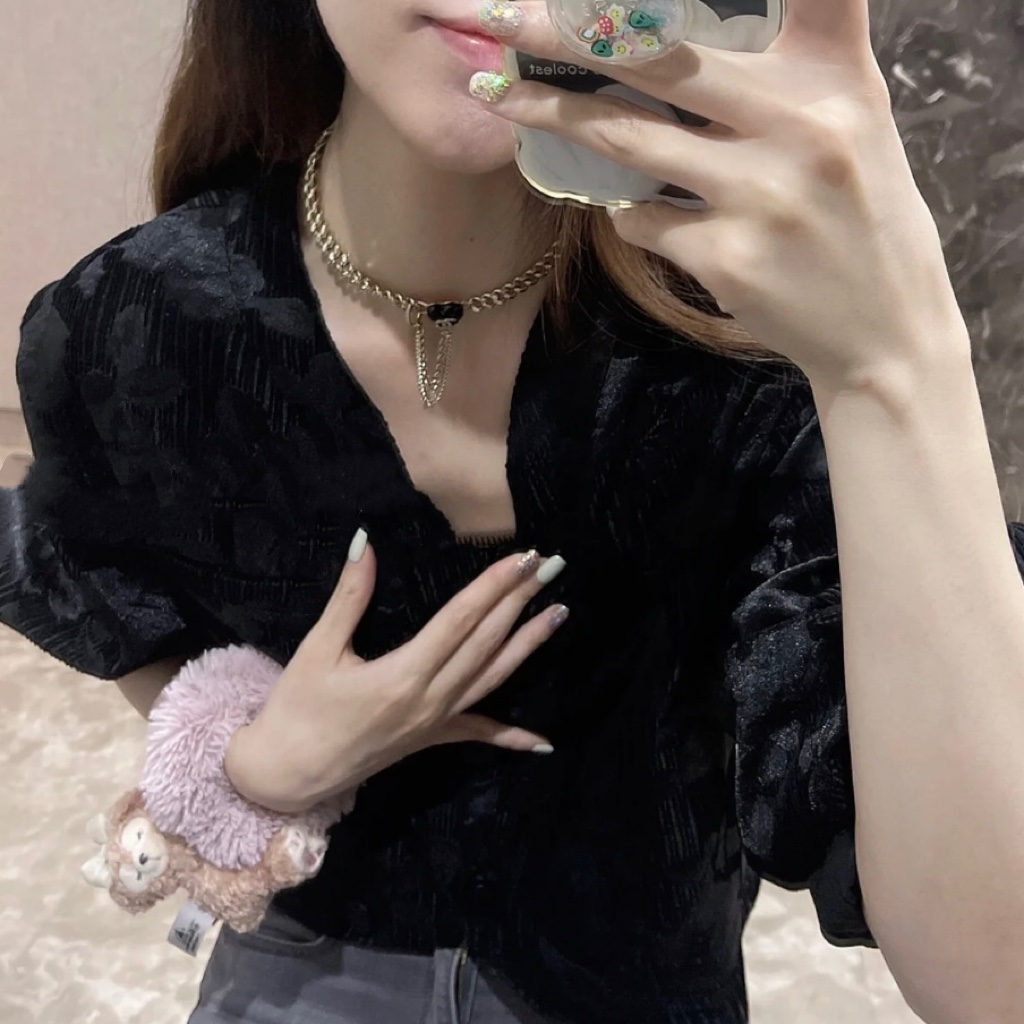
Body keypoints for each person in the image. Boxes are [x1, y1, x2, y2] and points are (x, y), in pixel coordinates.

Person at [5, 0, 1024, 1022]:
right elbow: (120, 593)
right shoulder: (138, 322)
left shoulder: (753, 354)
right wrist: (260, 761)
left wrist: (895, 365)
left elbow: (993, 979)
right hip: (303, 961)